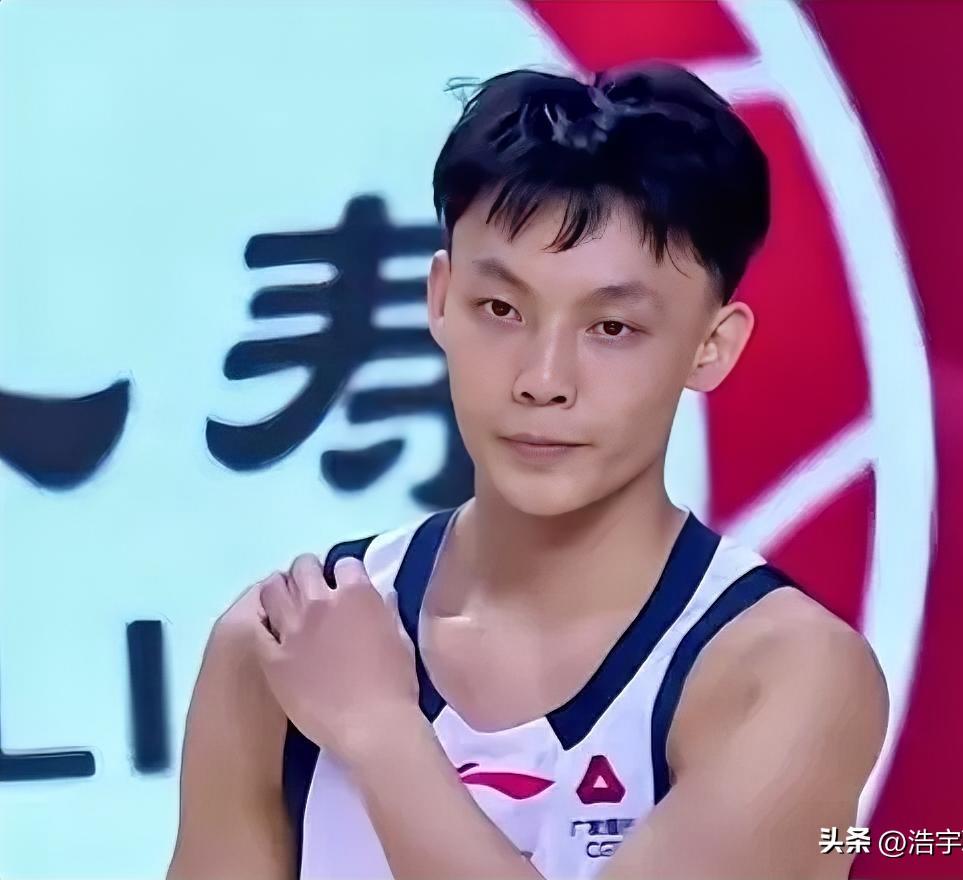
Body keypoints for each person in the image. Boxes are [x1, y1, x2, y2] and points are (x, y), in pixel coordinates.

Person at [167, 62, 888, 880]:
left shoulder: (783, 675)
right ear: (440, 299)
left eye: (612, 328)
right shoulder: (279, 645)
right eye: (502, 310)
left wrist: (381, 731)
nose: (543, 380)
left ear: (711, 346)